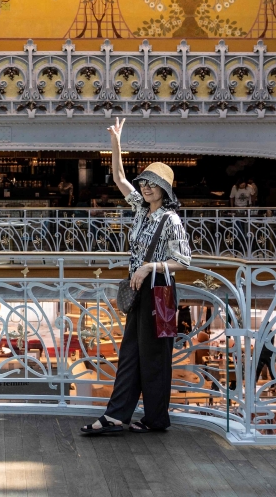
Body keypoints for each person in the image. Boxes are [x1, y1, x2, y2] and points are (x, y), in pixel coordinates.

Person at [81, 117, 192, 436]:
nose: (145, 187)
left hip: (159, 291)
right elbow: (118, 177)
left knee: (154, 357)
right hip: (141, 290)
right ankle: (117, 415)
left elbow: (183, 260)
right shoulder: (142, 211)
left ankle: (156, 418)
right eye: (143, 182)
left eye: (152, 184)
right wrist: (116, 142)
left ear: (164, 190)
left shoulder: (170, 219)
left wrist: (148, 267)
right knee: (130, 353)